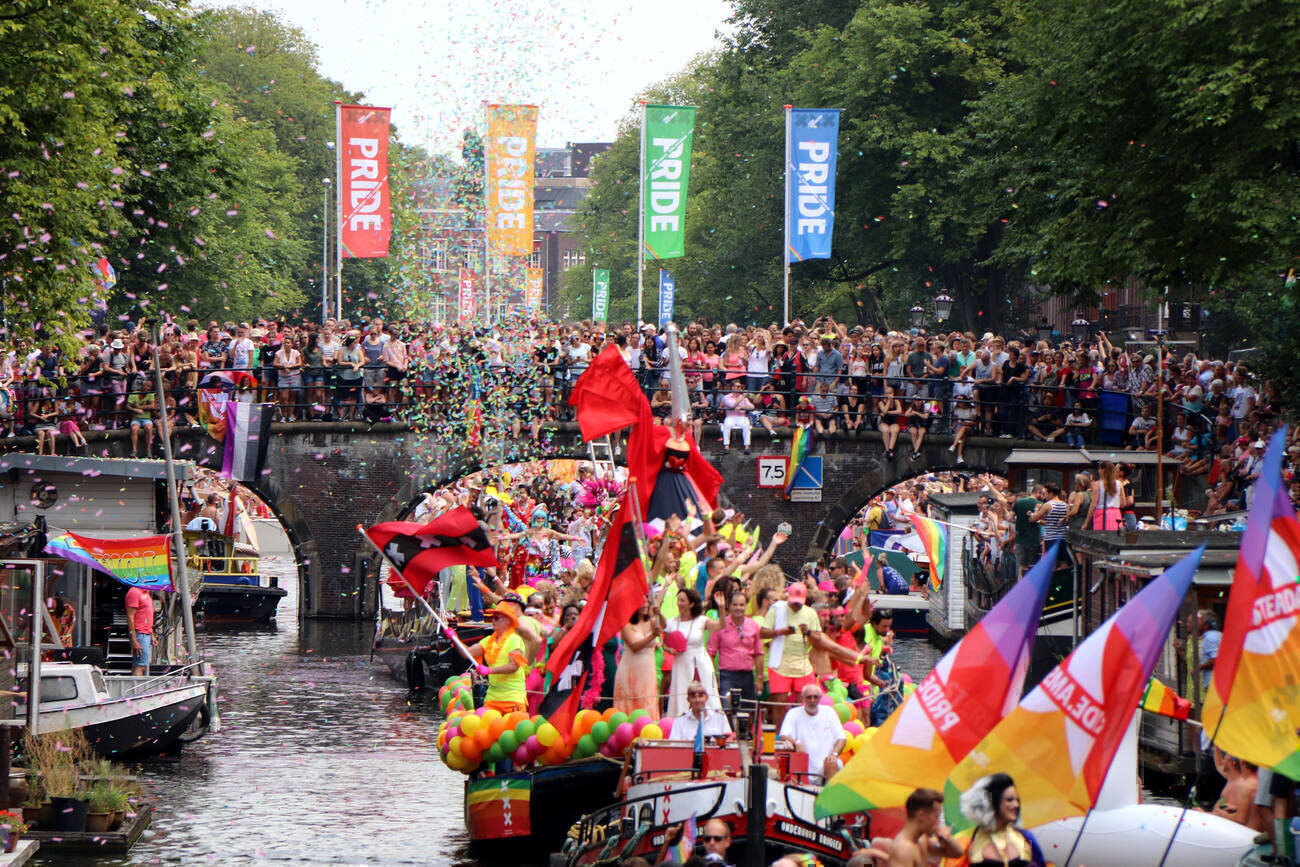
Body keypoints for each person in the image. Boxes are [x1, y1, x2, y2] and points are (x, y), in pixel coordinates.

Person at [759, 582, 821, 728]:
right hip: (780, 663)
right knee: (779, 702)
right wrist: (780, 632)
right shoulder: (777, 610)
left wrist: (809, 632)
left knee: (803, 703)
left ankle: (801, 733)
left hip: (802, 665)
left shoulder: (810, 613)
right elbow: (762, 632)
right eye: (793, 603)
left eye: (799, 603)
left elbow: (819, 639)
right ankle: (779, 736)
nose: (796, 606)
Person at [956, 773, 1046, 866]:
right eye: (1010, 799)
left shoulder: (1026, 837)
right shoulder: (965, 841)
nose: (1016, 805)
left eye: (1017, 800)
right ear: (991, 802)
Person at [664, 587, 723, 717]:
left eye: (682, 600)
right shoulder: (671, 623)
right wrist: (670, 650)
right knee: (681, 694)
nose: (679, 603)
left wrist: (722, 608)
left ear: (691, 604)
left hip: (702, 661)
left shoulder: (701, 620)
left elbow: (720, 626)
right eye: (678, 600)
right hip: (681, 662)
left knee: (710, 690)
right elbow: (665, 644)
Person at [708, 590, 762, 723]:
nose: (738, 608)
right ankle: (730, 738)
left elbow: (758, 653)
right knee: (728, 710)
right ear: (729, 607)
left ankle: (744, 739)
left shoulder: (753, 625)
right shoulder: (720, 625)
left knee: (747, 712)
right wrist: (712, 677)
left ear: (746, 606)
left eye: (741, 605)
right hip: (728, 675)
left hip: (747, 675)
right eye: (735, 605)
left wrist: (760, 678)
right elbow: (711, 653)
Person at [777, 682, 845, 784]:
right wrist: (796, 743)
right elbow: (783, 735)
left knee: (832, 763)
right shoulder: (793, 713)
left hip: (826, 764)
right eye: (809, 697)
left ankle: (830, 797)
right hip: (802, 763)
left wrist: (834, 754)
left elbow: (841, 738)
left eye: (815, 697)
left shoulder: (829, 712)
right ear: (803, 698)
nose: (812, 700)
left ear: (820, 698)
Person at [469, 604, 529, 715]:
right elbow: (467, 653)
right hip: (491, 699)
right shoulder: (488, 640)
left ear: (507, 621)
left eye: (496, 618)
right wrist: (454, 639)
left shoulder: (514, 640)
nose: (493, 621)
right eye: (492, 618)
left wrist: (489, 670)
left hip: (513, 699)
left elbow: (513, 666)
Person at [887, 787, 962, 867]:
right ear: (921, 816)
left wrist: (948, 838)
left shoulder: (922, 839)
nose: (939, 822)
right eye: (936, 816)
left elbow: (957, 853)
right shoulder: (903, 849)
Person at [614, 600, 662, 716]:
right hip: (631, 670)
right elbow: (634, 646)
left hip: (647, 670)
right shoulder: (626, 625)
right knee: (630, 700)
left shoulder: (651, 622)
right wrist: (652, 636)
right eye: (641, 603)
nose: (644, 605)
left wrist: (659, 613)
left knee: (647, 698)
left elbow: (663, 625)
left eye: (646, 603)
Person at [125, 585, 154, 676]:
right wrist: (134, 639)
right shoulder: (134, 592)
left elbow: (146, 615)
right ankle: (139, 689)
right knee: (140, 665)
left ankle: (136, 688)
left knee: (139, 664)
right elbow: (130, 616)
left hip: (145, 632)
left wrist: (151, 633)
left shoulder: (145, 592)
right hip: (140, 633)